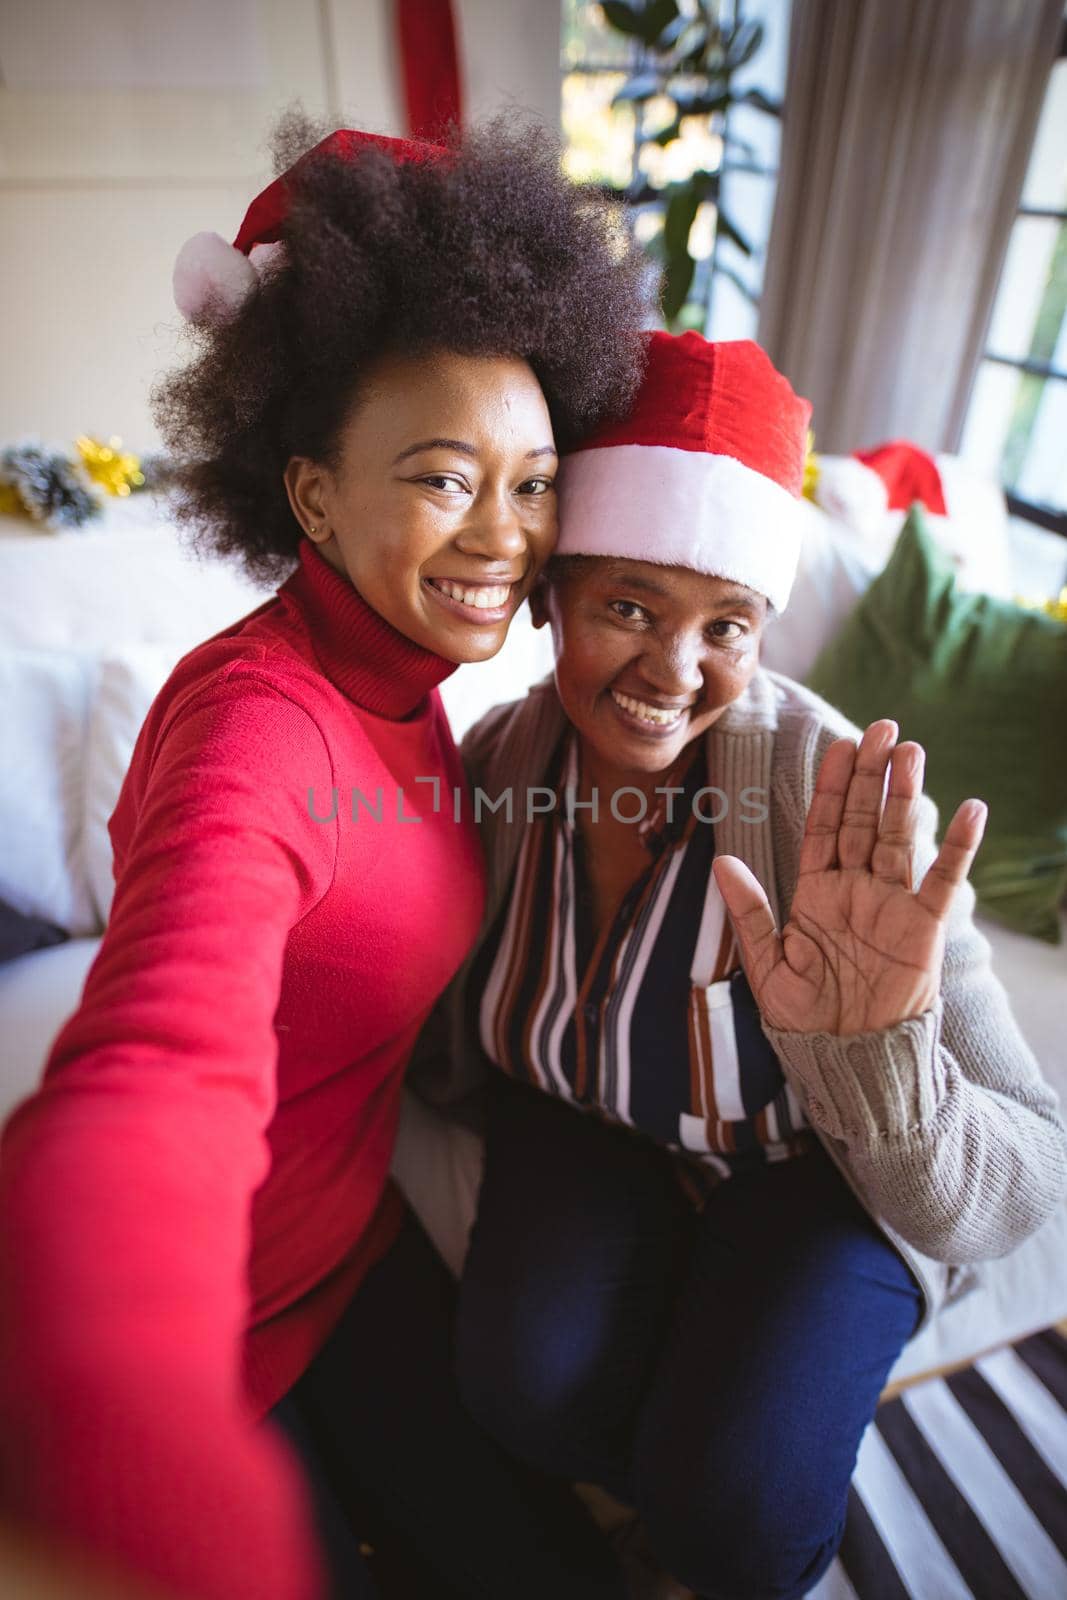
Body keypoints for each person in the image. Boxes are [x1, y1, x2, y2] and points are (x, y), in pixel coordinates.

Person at [0, 115, 653, 1600]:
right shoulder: (257, 735)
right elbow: (160, 1063)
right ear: (310, 494)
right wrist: (102, 1400)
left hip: (348, 1257)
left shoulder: (418, 685)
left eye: (534, 480)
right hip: (211, 1332)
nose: (506, 534)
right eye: (440, 477)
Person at [412, 331, 1067, 1600]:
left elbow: (1024, 1177)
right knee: (517, 1396)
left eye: (727, 625)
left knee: (734, 1526)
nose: (671, 669)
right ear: (551, 595)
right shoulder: (496, 761)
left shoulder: (832, 797)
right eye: (626, 607)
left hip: (815, 1163)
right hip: (583, 1121)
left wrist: (879, 1053)